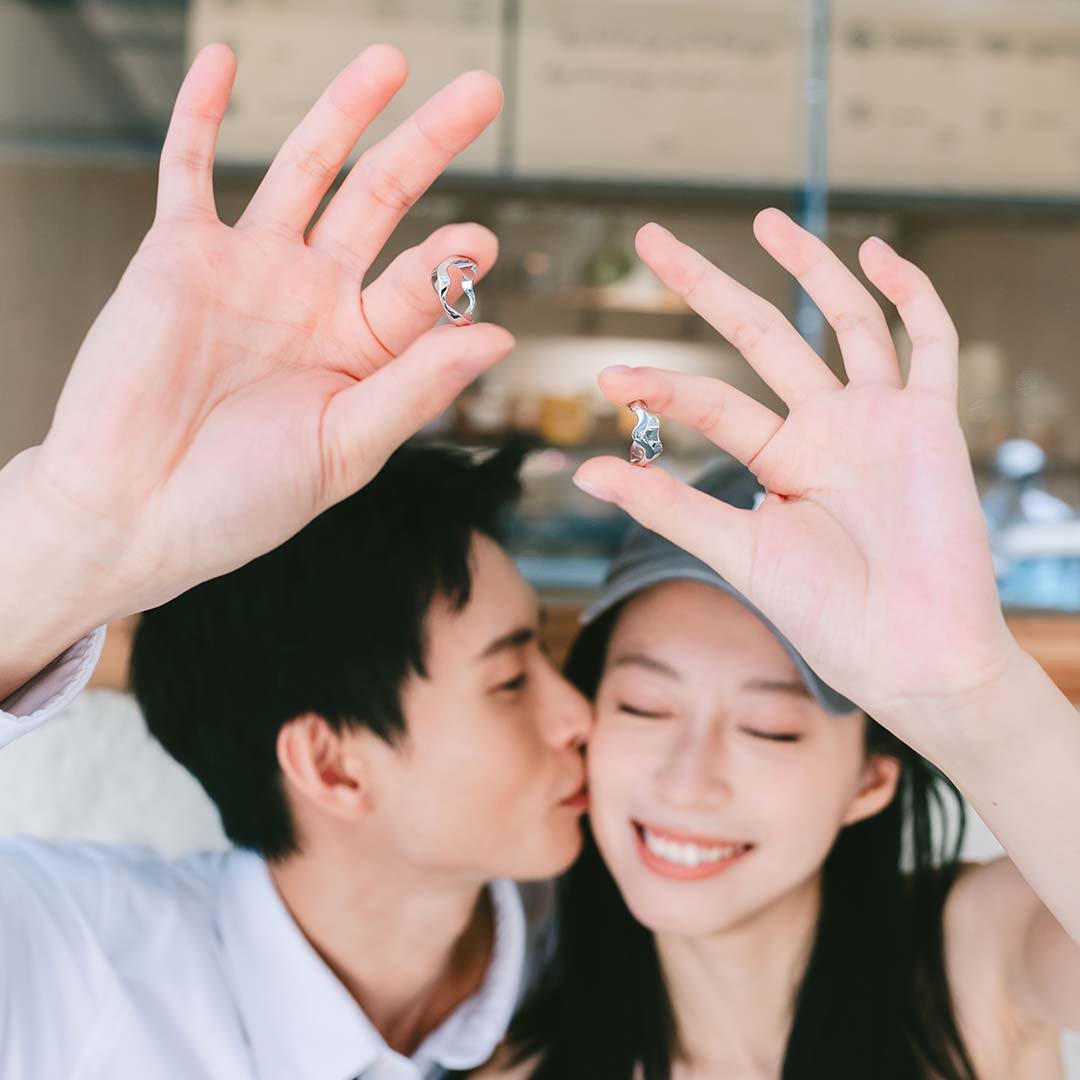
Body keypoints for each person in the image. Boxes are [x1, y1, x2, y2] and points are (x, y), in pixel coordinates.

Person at [479, 464, 1075, 1079]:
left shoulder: (973, 958)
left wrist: (983, 692)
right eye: (644, 706)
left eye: (768, 728)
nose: (687, 783)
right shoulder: (520, 1068)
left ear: (870, 780)